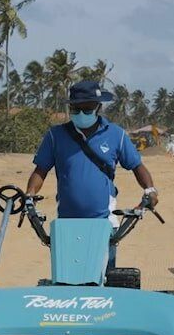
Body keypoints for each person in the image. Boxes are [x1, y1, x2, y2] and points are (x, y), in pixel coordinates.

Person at [24, 80, 157, 269]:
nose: (81, 115)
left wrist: (149, 190)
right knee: (67, 278)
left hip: (105, 223)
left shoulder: (116, 135)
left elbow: (137, 166)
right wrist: (29, 195)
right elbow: (41, 170)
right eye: (76, 110)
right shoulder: (56, 136)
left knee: (104, 277)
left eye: (87, 110)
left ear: (98, 107)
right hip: (67, 224)